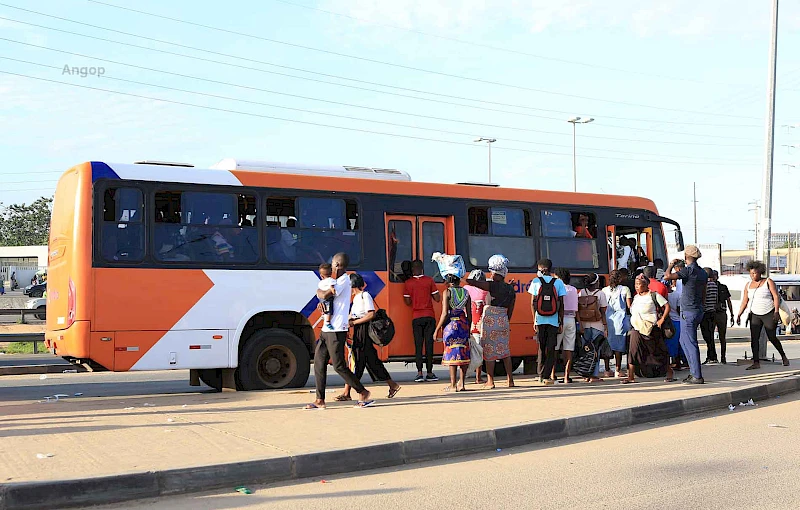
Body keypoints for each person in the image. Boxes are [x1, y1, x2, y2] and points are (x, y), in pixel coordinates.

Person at [305, 253, 372, 410]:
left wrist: (318, 293)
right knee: (319, 363)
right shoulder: (335, 281)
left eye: (333, 264)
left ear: (337, 265)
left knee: (339, 366)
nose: (332, 266)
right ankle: (319, 399)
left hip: (336, 329)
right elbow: (326, 300)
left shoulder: (343, 281)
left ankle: (363, 392)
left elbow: (325, 294)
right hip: (327, 329)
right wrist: (320, 303)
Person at [338, 273, 401, 401]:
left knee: (356, 360)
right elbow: (353, 314)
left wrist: (354, 322)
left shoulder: (364, 296)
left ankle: (348, 392)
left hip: (364, 331)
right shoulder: (355, 298)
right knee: (371, 361)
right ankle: (392, 384)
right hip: (358, 330)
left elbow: (370, 314)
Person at [466, 254, 516, 389]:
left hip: (490, 320)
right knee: (505, 351)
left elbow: (472, 282)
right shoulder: (510, 289)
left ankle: (490, 381)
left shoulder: (491, 285)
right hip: (503, 319)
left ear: (493, 272)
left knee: (489, 352)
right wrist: (506, 321)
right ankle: (510, 380)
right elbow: (511, 308)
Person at [662, 245, 707, 384]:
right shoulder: (702, 272)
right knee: (683, 340)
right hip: (697, 309)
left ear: (686, 256)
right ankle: (693, 372)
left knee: (690, 343)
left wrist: (671, 264)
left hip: (688, 310)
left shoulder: (688, 271)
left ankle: (696, 375)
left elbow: (667, 276)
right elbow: (704, 293)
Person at [736, 260, 790, 369]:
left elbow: (775, 296)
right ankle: (756, 362)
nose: (753, 275)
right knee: (754, 338)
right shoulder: (748, 285)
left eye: (755, 273)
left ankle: (783, 356)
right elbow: (745, 301)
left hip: (768, 313)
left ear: (760, 272)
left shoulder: (768, 282)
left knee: (772, 337)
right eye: (751, 273)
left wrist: (776, 312)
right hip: (755, 314)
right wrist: (739, 314)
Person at [625, 274, 674, 384]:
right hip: (637, 329)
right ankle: (630, 376)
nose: (637, 287)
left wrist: (661, 320)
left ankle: (669, 372)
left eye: (639, 284)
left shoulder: (654, 295)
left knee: (659, 352)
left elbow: (667, 306)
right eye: (635, 285)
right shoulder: (636, 297)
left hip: (651, 328)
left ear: (646, 285)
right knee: (633, 351)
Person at [529, 258, 567, 386]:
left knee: (541, 347)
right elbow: (561, 304)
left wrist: (534, 319)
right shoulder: (558, 283)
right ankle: (546, 376)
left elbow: (533, 303)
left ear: (541, 269)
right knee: (551, 348)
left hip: (540, 320)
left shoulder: (535, 281)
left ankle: (540, 375)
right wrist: (560, 321)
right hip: (553, 321)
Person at [403, 259, 441, 382]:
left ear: (413, 270)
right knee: (429, 345)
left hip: (416, 317)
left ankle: (419, 373)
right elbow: (437, 298)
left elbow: (407, 302)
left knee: (418, 346)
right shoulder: (429, 280)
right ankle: (430, 373)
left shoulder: (408, 283)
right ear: (422, 268)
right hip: (429, 316)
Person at [434, 274, 472, 392]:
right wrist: (468, 327)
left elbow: (445, 313)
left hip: (451, 325)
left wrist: (437, 329)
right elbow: (469, 314)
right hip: (463, 324)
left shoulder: (447, 292)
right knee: (463, 352)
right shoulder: (466, 293)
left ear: (448, 282)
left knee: (452, 353)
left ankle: (453, 385)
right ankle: (462, 384)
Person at [602, 269, 632, 379]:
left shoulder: (604, 290)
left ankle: (606, 369)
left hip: (608, 320)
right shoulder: (625, 289)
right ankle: (617, 369)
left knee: (607, 344)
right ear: (620, 278)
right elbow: (629, 306)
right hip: (620, 320)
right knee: (618, 346)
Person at [578, 273, 607, 383]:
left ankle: (586, 375)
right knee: (596, 350)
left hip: (584, 325)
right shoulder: (601, 293)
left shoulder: (581, 292)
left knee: (586, 350)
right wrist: (605, 326)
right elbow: (603, 311)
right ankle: (594, 376)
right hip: (597, 325)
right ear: (596, 282)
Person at [553, 268, 578, 383]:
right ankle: (567, 376)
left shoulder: (558, 288)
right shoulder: (573, 289)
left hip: (560, 320)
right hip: (571, 319)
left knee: (555, 348)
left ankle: (552, 374)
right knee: (569, 349)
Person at [464, 269, 489, 384]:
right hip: (481, 325)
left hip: (468, 324)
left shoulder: (466, 289)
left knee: (467, 351)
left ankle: (463, 376)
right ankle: (478, 377)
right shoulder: (486, 291)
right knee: (479, 351)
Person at [699, 266, 720, 364]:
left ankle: (711, 356)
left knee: (707, 336)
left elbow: (703, 298)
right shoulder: (714, 285)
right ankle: (712, 356)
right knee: (710, 335)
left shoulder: (705, 285)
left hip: (706, 312)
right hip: (713, 312)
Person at [712, 270, 734, 364]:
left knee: (722, 337)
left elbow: (728, 301)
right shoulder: (707, 287)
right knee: (710, 337)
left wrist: (732, 314)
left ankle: (723, 357)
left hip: (721, 313)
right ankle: (713, 357)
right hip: (711, 313)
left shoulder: (723, 287)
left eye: (714, 276)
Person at [666, 278, 685, 370]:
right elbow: (678, 308)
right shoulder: (677, 295)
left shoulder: (664, 296)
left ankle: (673, 362)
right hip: (677, 320)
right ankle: (678, 362)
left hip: (669, 322)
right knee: (678, 343)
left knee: (671, 343)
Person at [317, 263, 336, 332]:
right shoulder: (331, 280)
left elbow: (319, 290)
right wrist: (332, 290)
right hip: (328, 298)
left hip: (321, 298)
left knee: (323, 308)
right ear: (331, 273)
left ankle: (323, 315)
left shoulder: (321, 282)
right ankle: (327, 321)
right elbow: (332, 286)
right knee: (329, 310)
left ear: (321, 276)